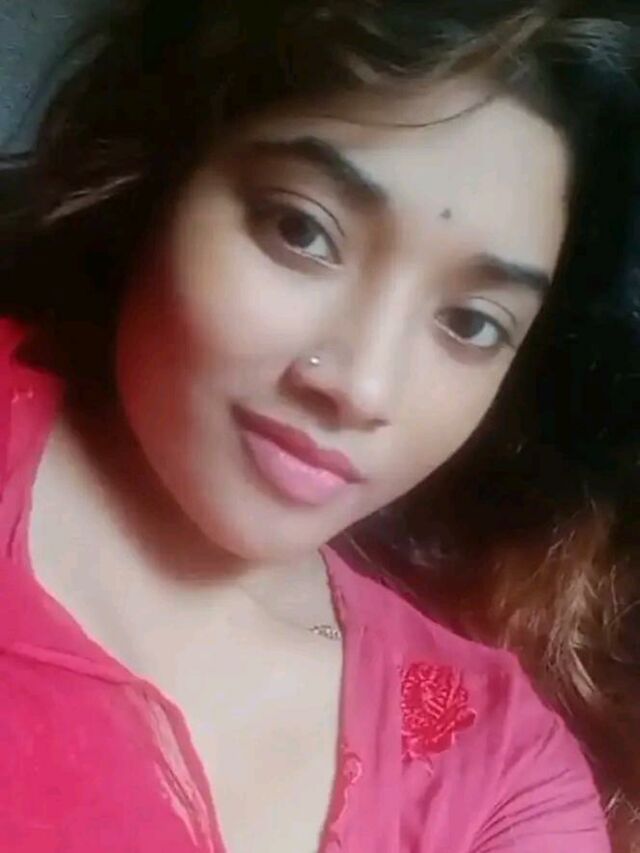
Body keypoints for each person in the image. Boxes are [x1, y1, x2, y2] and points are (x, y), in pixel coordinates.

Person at [1, 1, 640, 850]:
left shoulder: (501, 770)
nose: (364, 387)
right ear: (160, 176)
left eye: (471, 323)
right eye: (301, 230)